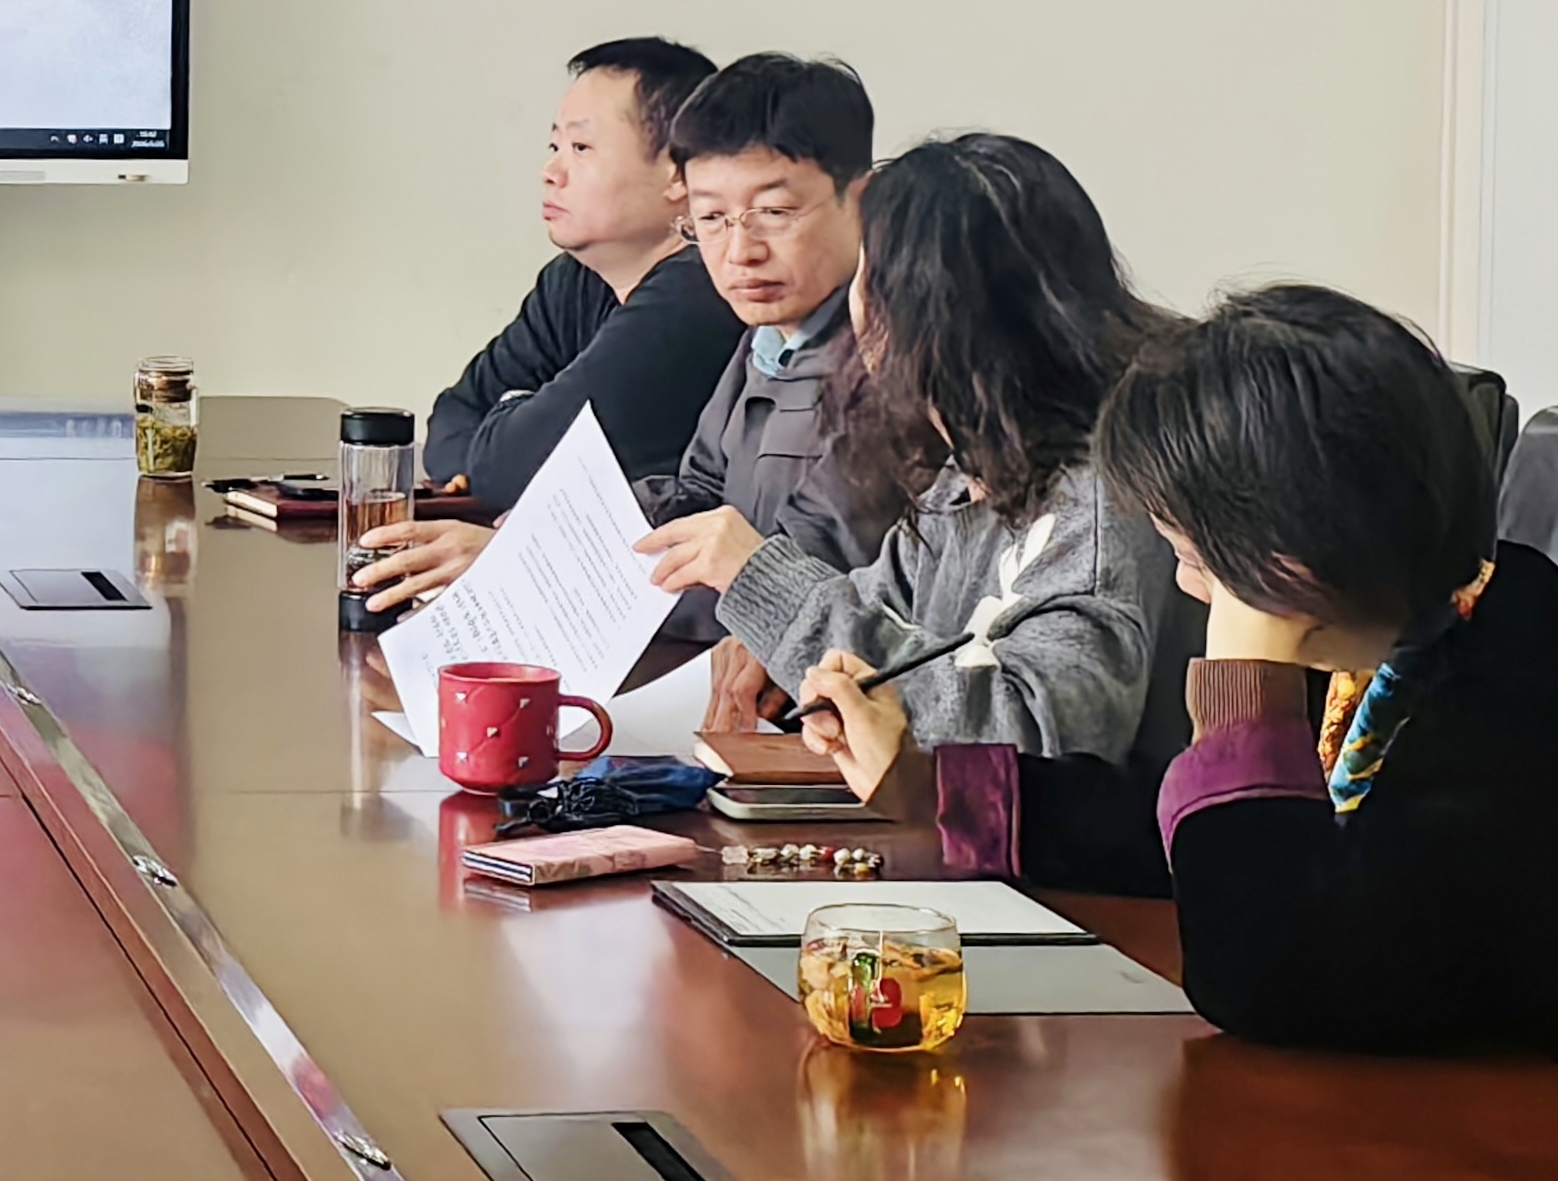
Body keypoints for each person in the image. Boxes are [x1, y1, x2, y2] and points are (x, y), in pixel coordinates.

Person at [796, 285, 1558, 1052]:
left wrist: (1247, 682)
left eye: (1194, 559)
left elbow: (1270, 971)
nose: (1190, 588)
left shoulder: (1517, 692)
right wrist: (933, 788)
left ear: (1290, 554)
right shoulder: (1383, 642)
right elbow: (1179, 838)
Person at [644, 134, 1200, 764]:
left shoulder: (1098, 501)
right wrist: (792, 653)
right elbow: (883, 616)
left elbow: (1040, 744)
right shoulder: (973, 466)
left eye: (865, 274)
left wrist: (770, 587)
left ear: (917, 314)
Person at [355, 54, 887, 639]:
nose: (741, 252)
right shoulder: (762, 341)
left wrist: (533, 574)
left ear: (863, 202)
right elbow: (694, 496)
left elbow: (796, 587)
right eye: (711, 218)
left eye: (775, 212)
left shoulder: (884, 369)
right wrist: (539, 539)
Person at [412, 38, 742, 505]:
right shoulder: (574, 279)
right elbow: (453, 416)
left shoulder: (700, 295)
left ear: (678, 172)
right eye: (555, 145)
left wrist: (506, 425)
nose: (551, 171)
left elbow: (516, 469)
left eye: (581, 147)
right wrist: (496, 451)